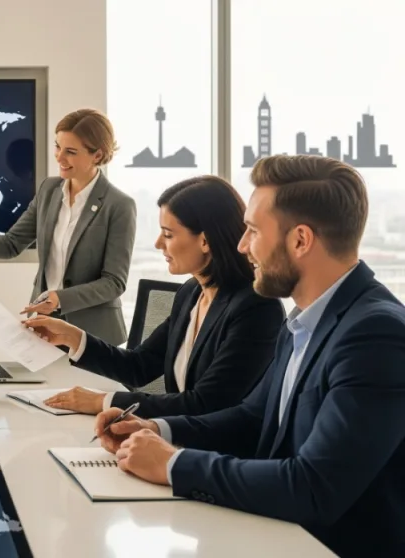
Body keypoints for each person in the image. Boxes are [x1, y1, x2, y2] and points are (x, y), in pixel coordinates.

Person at [92, 155, 405, 557]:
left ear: (300, 240)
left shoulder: (375, 335)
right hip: (275, 534)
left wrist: (172, 465)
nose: (241, 246)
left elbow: (313, 486)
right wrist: (158, 429)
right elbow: (252, 417)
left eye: (253, 231)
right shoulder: (304, 320)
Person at [24, 176, 285, 418]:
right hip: (176, 438)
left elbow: (207, 404)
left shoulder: (256, 307)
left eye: (168, 234)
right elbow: (140, 366)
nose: (159, 243)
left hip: (217, 456)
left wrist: (104, 401)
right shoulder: (191, 292)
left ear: (205, 241)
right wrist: (70, 336)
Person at [0, 108, 136, 344]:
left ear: (97, 155)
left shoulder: (119, 205)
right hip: (44, 325)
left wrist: (60, 298)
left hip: (93, 335)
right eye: (57, 147)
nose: (59, 158)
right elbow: (12, 244)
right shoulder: (49, 191)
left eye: (70, 152)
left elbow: (114, 282)